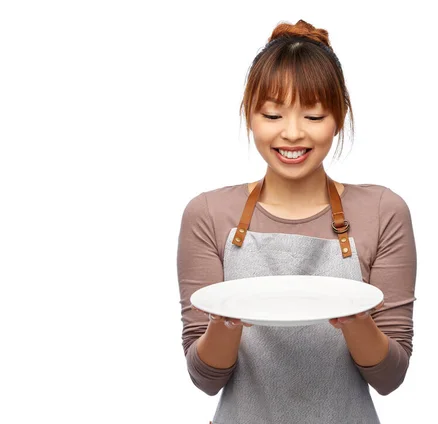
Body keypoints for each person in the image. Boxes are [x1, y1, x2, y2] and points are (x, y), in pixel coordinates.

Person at [177, 19, 417, 424]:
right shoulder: (208, 214)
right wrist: (226, 319)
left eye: (313, 115)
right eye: (272, 114)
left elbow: (390, 376)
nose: (291, 133)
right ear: (249, 115)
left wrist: (355, 316)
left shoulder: (383, 211)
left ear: (339, 117)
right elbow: (205, 378)